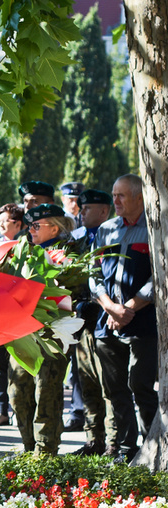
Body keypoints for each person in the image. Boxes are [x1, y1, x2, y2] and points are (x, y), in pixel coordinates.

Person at [91, 174, 156, 464]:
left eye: (121, 196)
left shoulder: (154, 229)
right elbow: (92, 274)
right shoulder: (106, 230)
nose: (114, 201)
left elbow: (159, 277)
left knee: (140, 386)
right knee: (114, 389)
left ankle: (152, 445)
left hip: (142, 323)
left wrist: (127, 308)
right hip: (107, 322)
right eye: (113, 194)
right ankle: (125, 448)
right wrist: (109, 307)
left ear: (140, 198)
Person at [7, 203, 73, 455]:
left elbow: (71, 293)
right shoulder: (22, 251)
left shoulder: (69, 254)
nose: (30, 230)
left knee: (46, 392)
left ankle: (45, 452)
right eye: (29, 225)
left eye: (36, 226)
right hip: (21, 332)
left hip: (50, 335)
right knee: (17, 392)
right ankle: (28, 445)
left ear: (54, 227)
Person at [69, 189, 116, 456]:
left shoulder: (111, 237)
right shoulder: (76, 241)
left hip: (104, 319)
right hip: (82, 320)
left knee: (107, 383)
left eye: (87, 208)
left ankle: (113, 441)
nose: (81, 213)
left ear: (103, 211)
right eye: (80, 208)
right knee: (86, 381)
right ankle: (93, 439)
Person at [0, 202, 25, 428]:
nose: (0, 224)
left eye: (5, 220)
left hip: (18, 316)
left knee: (18, 367)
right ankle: (2, 411)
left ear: (18, 224)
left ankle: (21, 412)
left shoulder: (25, 247)